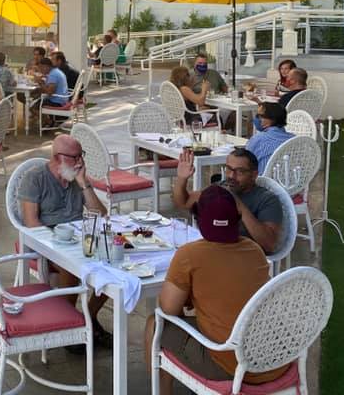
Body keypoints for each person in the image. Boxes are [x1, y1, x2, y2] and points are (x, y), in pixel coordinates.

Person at [144, 185, 288, 393]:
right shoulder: (255, 250)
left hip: (234, 365)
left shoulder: (189, 255)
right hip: (274, 359)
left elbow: (168, 311)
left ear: (199, 220)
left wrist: (189, 296)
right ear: (238, 217)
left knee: (154, 325)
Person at [19, 134, 110, 347]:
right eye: (74, 157)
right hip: (47, 241)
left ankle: (89, 317)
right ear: (57, 157)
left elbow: (100, 214)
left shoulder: (76, 178)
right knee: (71, 268)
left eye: (81, 156)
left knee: (112, 262)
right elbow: (32, 223)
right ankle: (68, 323)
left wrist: (84, 183)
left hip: (80, 238)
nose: (80, 162)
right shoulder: (35, 179)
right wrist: (58, 245)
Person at [173, 147, 283, 254]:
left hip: (245, 257)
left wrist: (239, 205)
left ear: (253, 175)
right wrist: (182, 178)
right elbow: (184, 202)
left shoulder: (267, 199)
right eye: (229, 169)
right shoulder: (220, 188)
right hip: (214, 251)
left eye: (239, 171)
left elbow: (270, 244)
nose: (231, 176)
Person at [248, 102, 294, 173]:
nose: (256, 118)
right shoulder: (294, 139)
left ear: (271, 119)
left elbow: (245, 162)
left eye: (259, 116)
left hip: (263, 181)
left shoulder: (258, 139)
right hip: (290, 181)